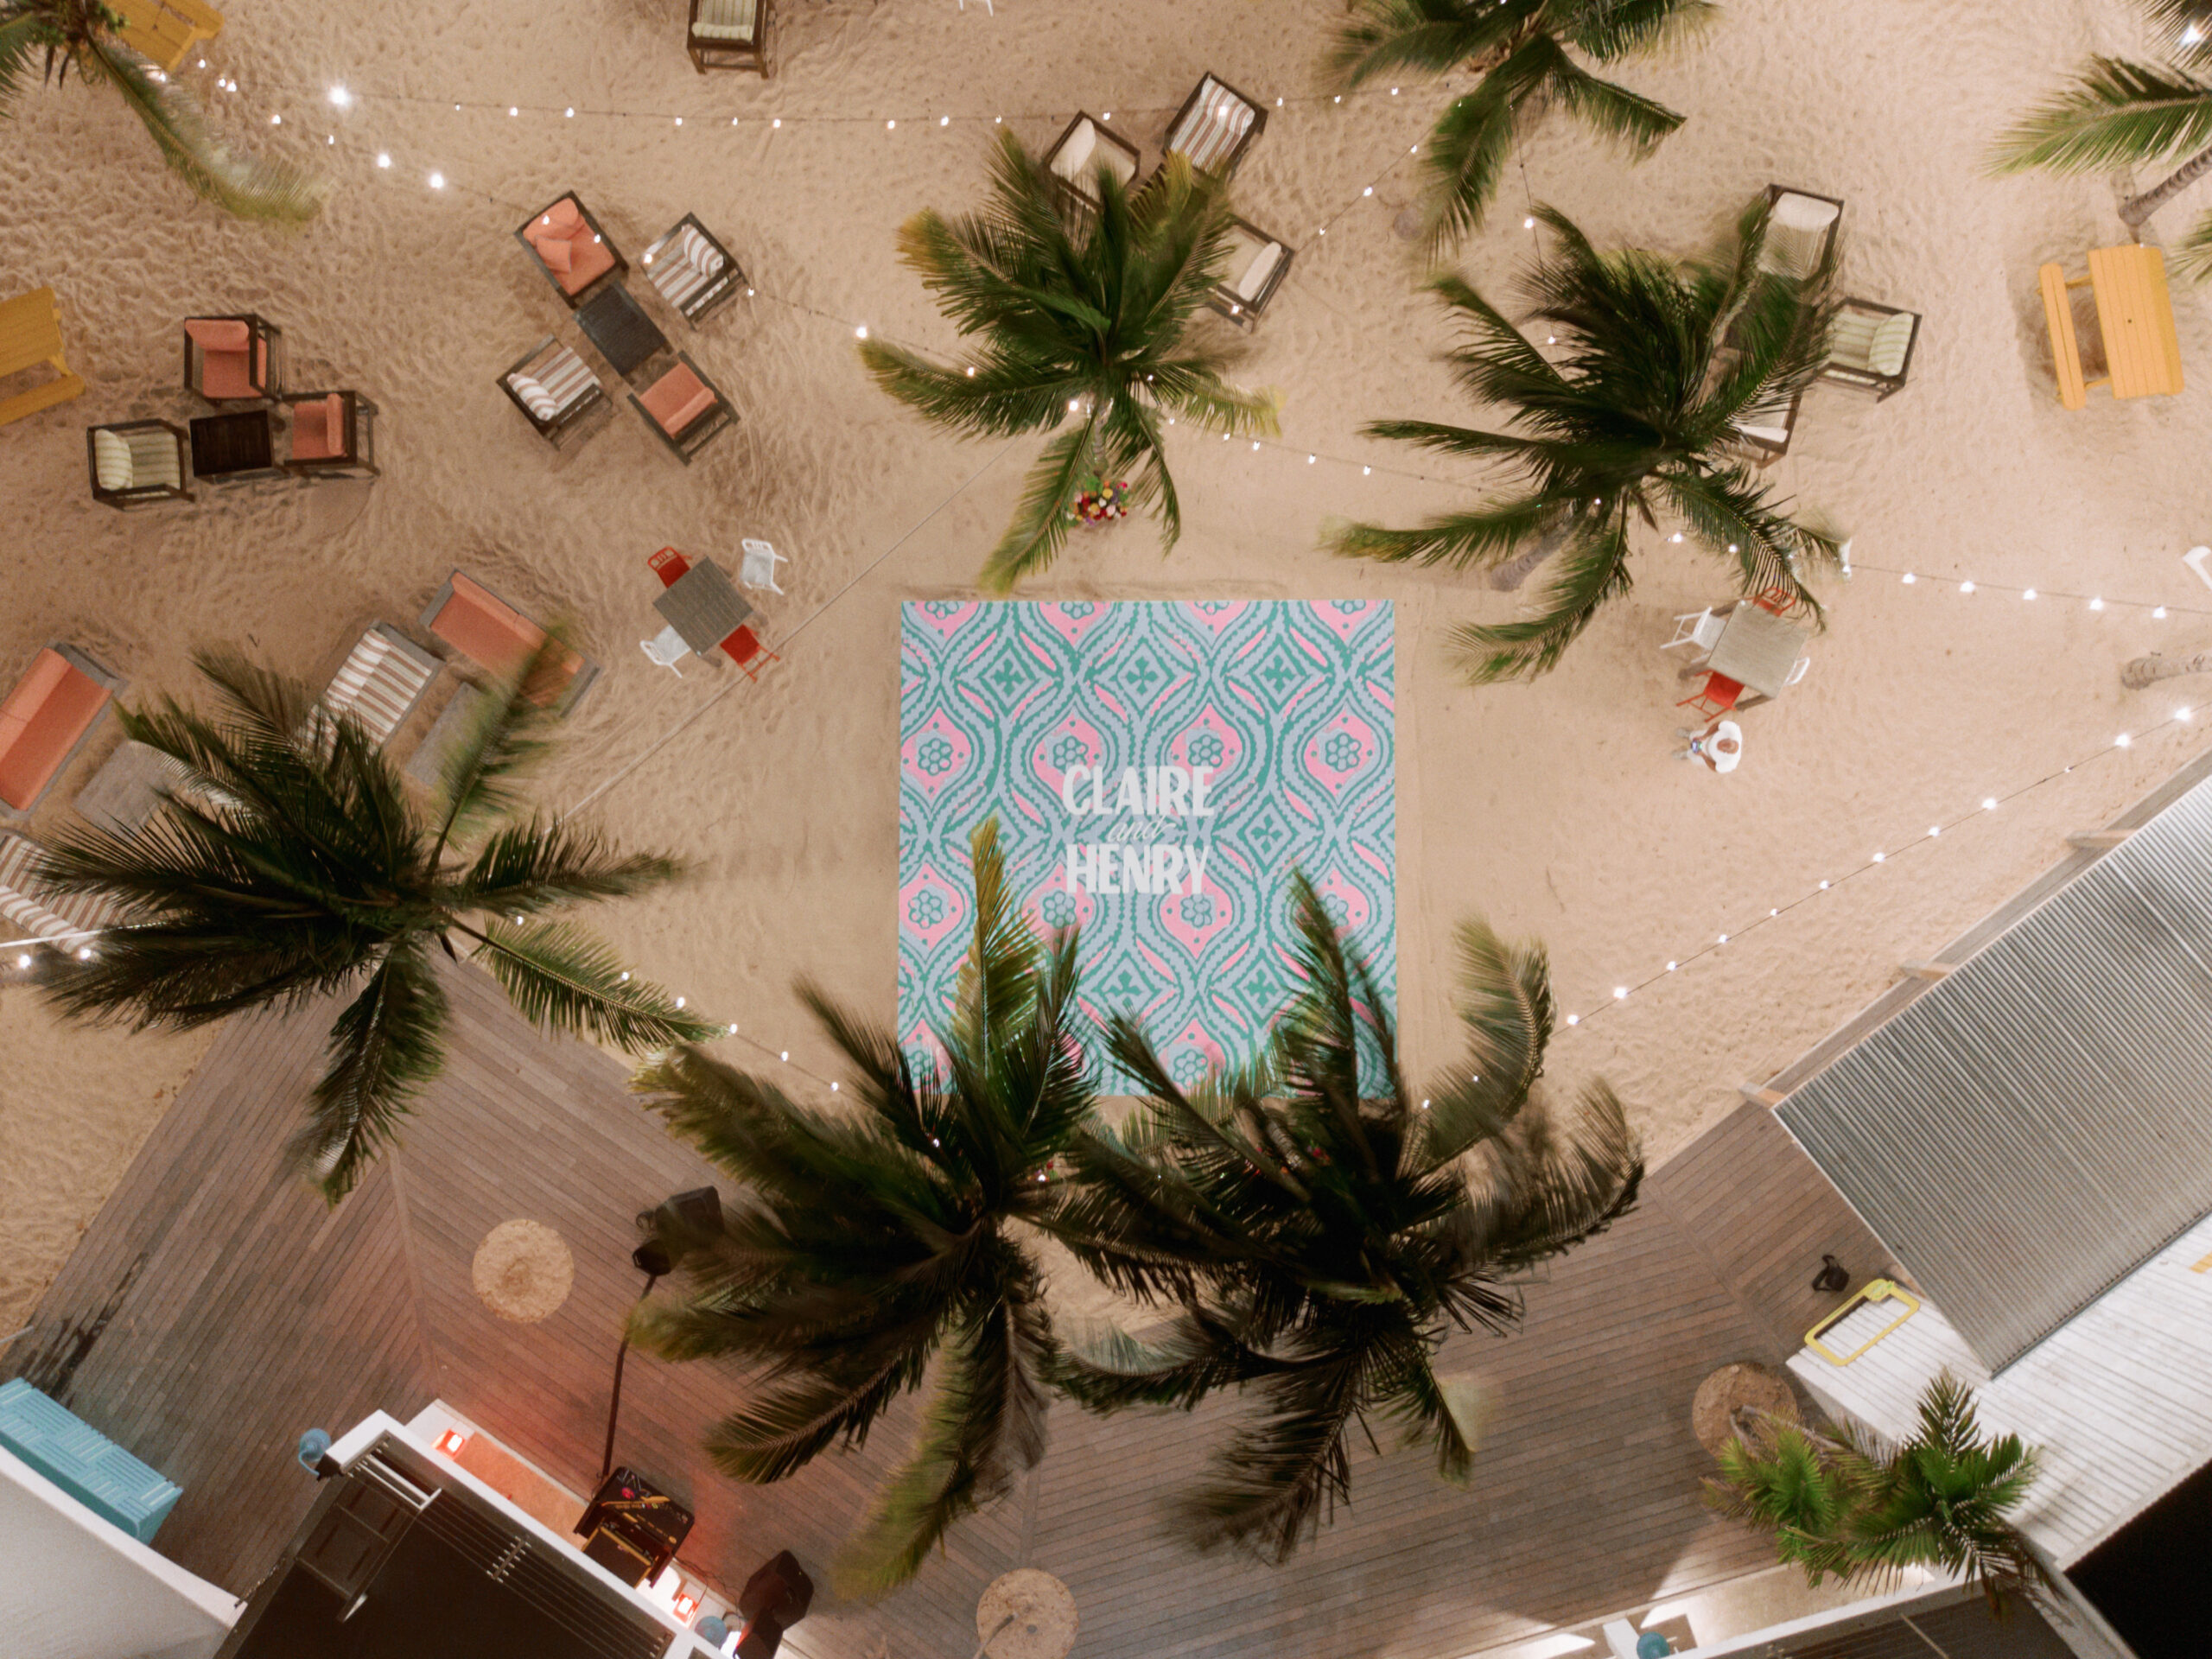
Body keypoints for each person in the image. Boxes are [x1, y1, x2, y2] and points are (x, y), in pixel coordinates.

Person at [1676, 718, 1742, 772]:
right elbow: (1718, 725)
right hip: (1709, 737)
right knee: (1695, 735)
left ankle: (1685, 754)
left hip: (1707, 755)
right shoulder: (1734, 730)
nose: (1718, 744)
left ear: (1726, 752)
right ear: (1728, 738)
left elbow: (1715, 768)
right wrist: (1705, 736)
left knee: (1692, 754)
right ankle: (1688, 734)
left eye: (1721, 747)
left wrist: (1703, 755)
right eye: (1721, 741)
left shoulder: (1731, 762)